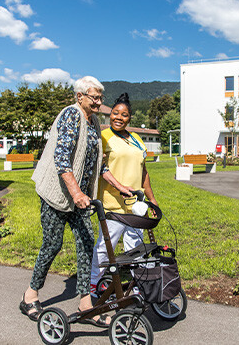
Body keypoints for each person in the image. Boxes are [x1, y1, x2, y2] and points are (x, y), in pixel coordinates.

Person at [20, 76, 131, 327]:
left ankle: (85, 304)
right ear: (79, 96)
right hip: (58, 195)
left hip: (80, 199)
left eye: (101, 98)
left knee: (86, 244)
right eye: (95, 97)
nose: (99, 102)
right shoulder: (71, 115)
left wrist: (121, 187)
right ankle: (30, 295)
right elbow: (62, 161)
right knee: (52, 244)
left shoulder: (94, 122)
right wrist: (76, 193)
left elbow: (100, 165)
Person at [90, 93, 158, 293]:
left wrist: (151, 199)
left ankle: (137, 287)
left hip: (137, 204)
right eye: (115, 113)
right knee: (105, 247)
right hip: (113, 203)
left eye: (124, 114)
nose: (119, 117)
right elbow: (99, 168)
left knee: (136, 247)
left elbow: (143, 170)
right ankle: (93, 284)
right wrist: (120, 186)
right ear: (110, 115)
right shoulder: (103, 137)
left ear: (130, 118)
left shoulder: (136, 139)